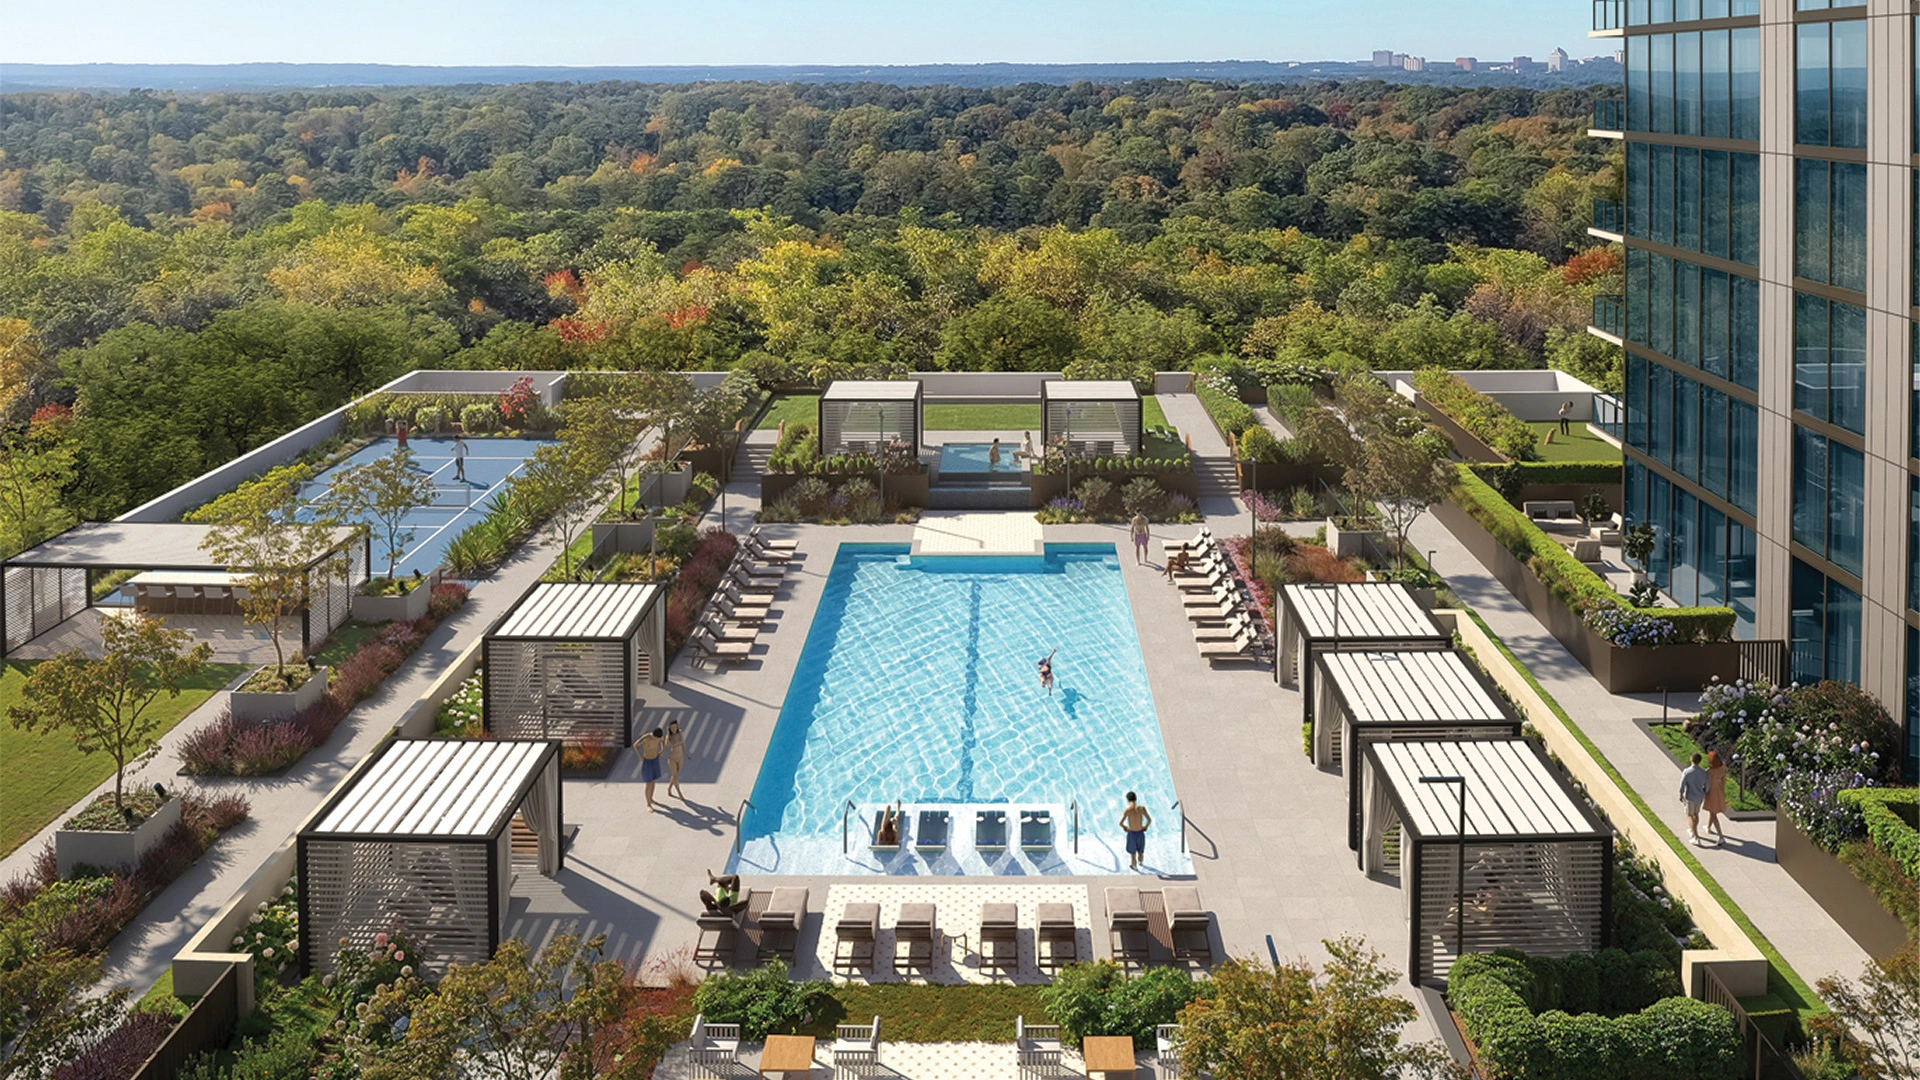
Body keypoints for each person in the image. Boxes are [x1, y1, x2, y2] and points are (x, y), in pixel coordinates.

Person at [1678, 751, 1709, 845]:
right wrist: (1704, 792)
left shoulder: (1687, 772)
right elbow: (1707, 786)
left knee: (1689, 815)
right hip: (1699, 797)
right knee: (1696, 814)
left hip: (1690, 796)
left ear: (1691, 759)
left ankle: (1695, 836)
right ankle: (1694, 829)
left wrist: (1681, 793)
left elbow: (1682, 784)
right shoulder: (1703, 773)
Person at [1120, 791, 1152, 870]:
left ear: (1128, 800)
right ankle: (1140, 862)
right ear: (1136, 799)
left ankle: (1134, 867)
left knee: (1133, 854)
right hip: (1140, 832)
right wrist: (1146, 827)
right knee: (1140, 851)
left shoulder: (1127, 810)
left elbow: (1120, 823)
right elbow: (1149, 820)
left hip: (1131, 833)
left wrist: (1125, 827)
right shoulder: (1141, 808)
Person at [636, 727, 666, 812]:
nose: (658, 739)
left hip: (655, 759)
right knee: (648, 783)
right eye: (657, 738)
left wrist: (662, 750)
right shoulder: (646, 738)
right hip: (647, 761)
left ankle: (651, 798)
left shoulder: (658, 738)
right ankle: (648, 803)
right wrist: (640, 756)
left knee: (653, 781)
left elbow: (663, 741)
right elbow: (635, 745)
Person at [1703, 749, 1729, 843]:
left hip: (1711, 792)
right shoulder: (1723, 769)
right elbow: (1723, 781)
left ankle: (1721, 836)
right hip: (1719, 791)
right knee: (1712, 810)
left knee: (1713, 813)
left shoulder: (1709, 772)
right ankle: (1708, 827)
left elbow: (1706, 783)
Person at [665, 719, 687, 800]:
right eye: (672, 728)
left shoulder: (680, 733)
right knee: (675, 776)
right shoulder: (669, 736)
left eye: (674, 727)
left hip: (680, 757)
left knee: (675, 775)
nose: (673, 729)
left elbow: (683, 743)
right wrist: (667, 734)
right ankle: (679, 793)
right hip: (672, 758)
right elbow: (666, 744)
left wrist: (687, 754)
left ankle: (669, 788)